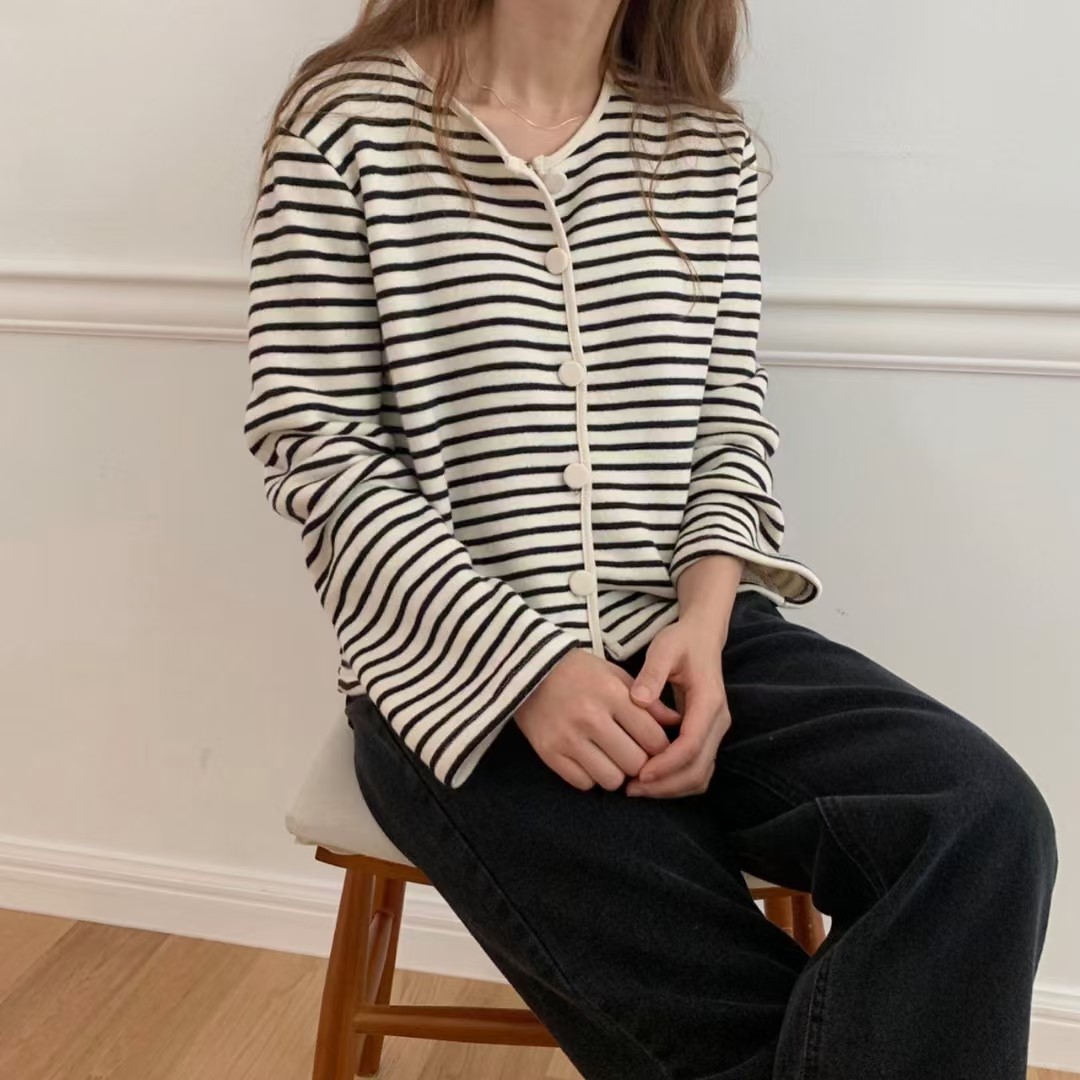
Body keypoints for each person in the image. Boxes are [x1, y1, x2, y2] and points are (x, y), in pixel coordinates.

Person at [243, 2, 1058, 1076]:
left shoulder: (704, 149)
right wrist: (529, 669)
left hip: (688, 637)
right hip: (457, 687)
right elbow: (318, 451)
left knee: (982, 825)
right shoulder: (345, 125)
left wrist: (707, 629)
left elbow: (728, 419)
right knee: (748, 1021)